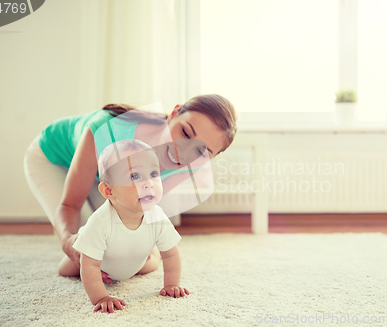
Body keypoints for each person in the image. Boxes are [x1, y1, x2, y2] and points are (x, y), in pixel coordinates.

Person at [23, 94, 237, 283]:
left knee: (125, 249)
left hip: (106, 179)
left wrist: (146, 254)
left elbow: (143, 213)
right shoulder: (106, 130)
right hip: (53, 159)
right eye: (186, 133)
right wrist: (68, 241)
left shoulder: (189, 164)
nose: (184, 152)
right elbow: (70, 204)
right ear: (173, 113)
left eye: (202, 151)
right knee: (87, 243)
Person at [59, 139, 188, 313]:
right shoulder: (100, 222)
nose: (149, 182)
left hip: (134, 261)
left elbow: (171, 255)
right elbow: (90, 266)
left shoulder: (157, 217)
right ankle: (146, 251)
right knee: (66, 270)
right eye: (135, 176)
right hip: (99, 260)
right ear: (109, 191)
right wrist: (102, 297)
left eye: (153, 173)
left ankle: (150, 252)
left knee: (151, 264)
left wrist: (172, 284)